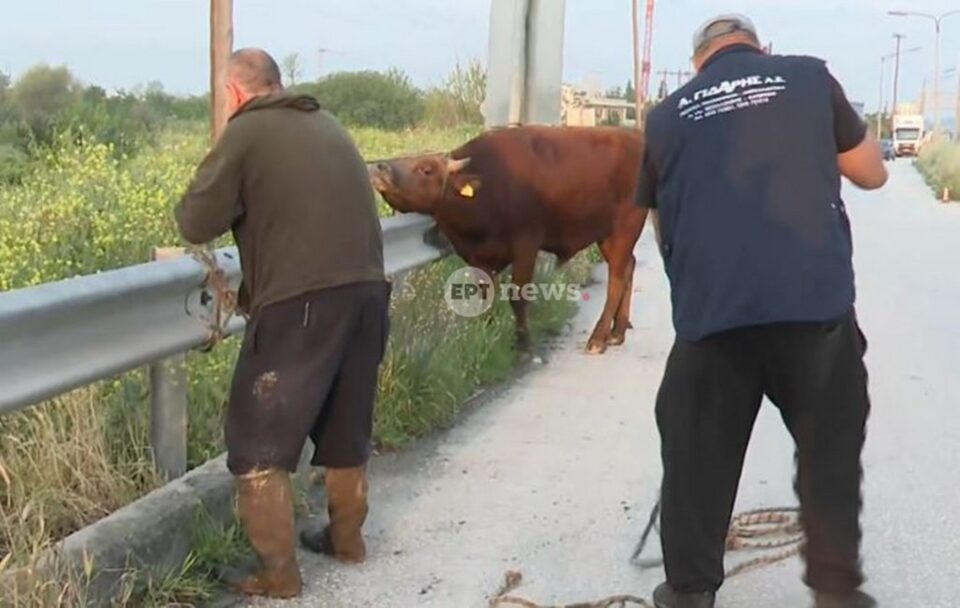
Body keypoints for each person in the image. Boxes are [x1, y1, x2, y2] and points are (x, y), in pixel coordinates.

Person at [634, 15, 887, 608]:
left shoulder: (665, 117)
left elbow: (659, 223)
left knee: (694, 458)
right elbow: (871, 172)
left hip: (713, 319)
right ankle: (835, 591)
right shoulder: (807, 78)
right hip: (814, 312)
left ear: (699, 63)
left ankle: (690, 592)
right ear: (760, 48)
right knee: (828, 451)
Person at [174, 48, 390, 599]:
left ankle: (277, 574)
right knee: (345, 423)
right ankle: (348, 540)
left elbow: (195, 222)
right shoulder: (328, 122)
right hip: (366, 295)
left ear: (234, 94)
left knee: (258, 439)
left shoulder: (247, 133)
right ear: (277, 83)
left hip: (302, 303)